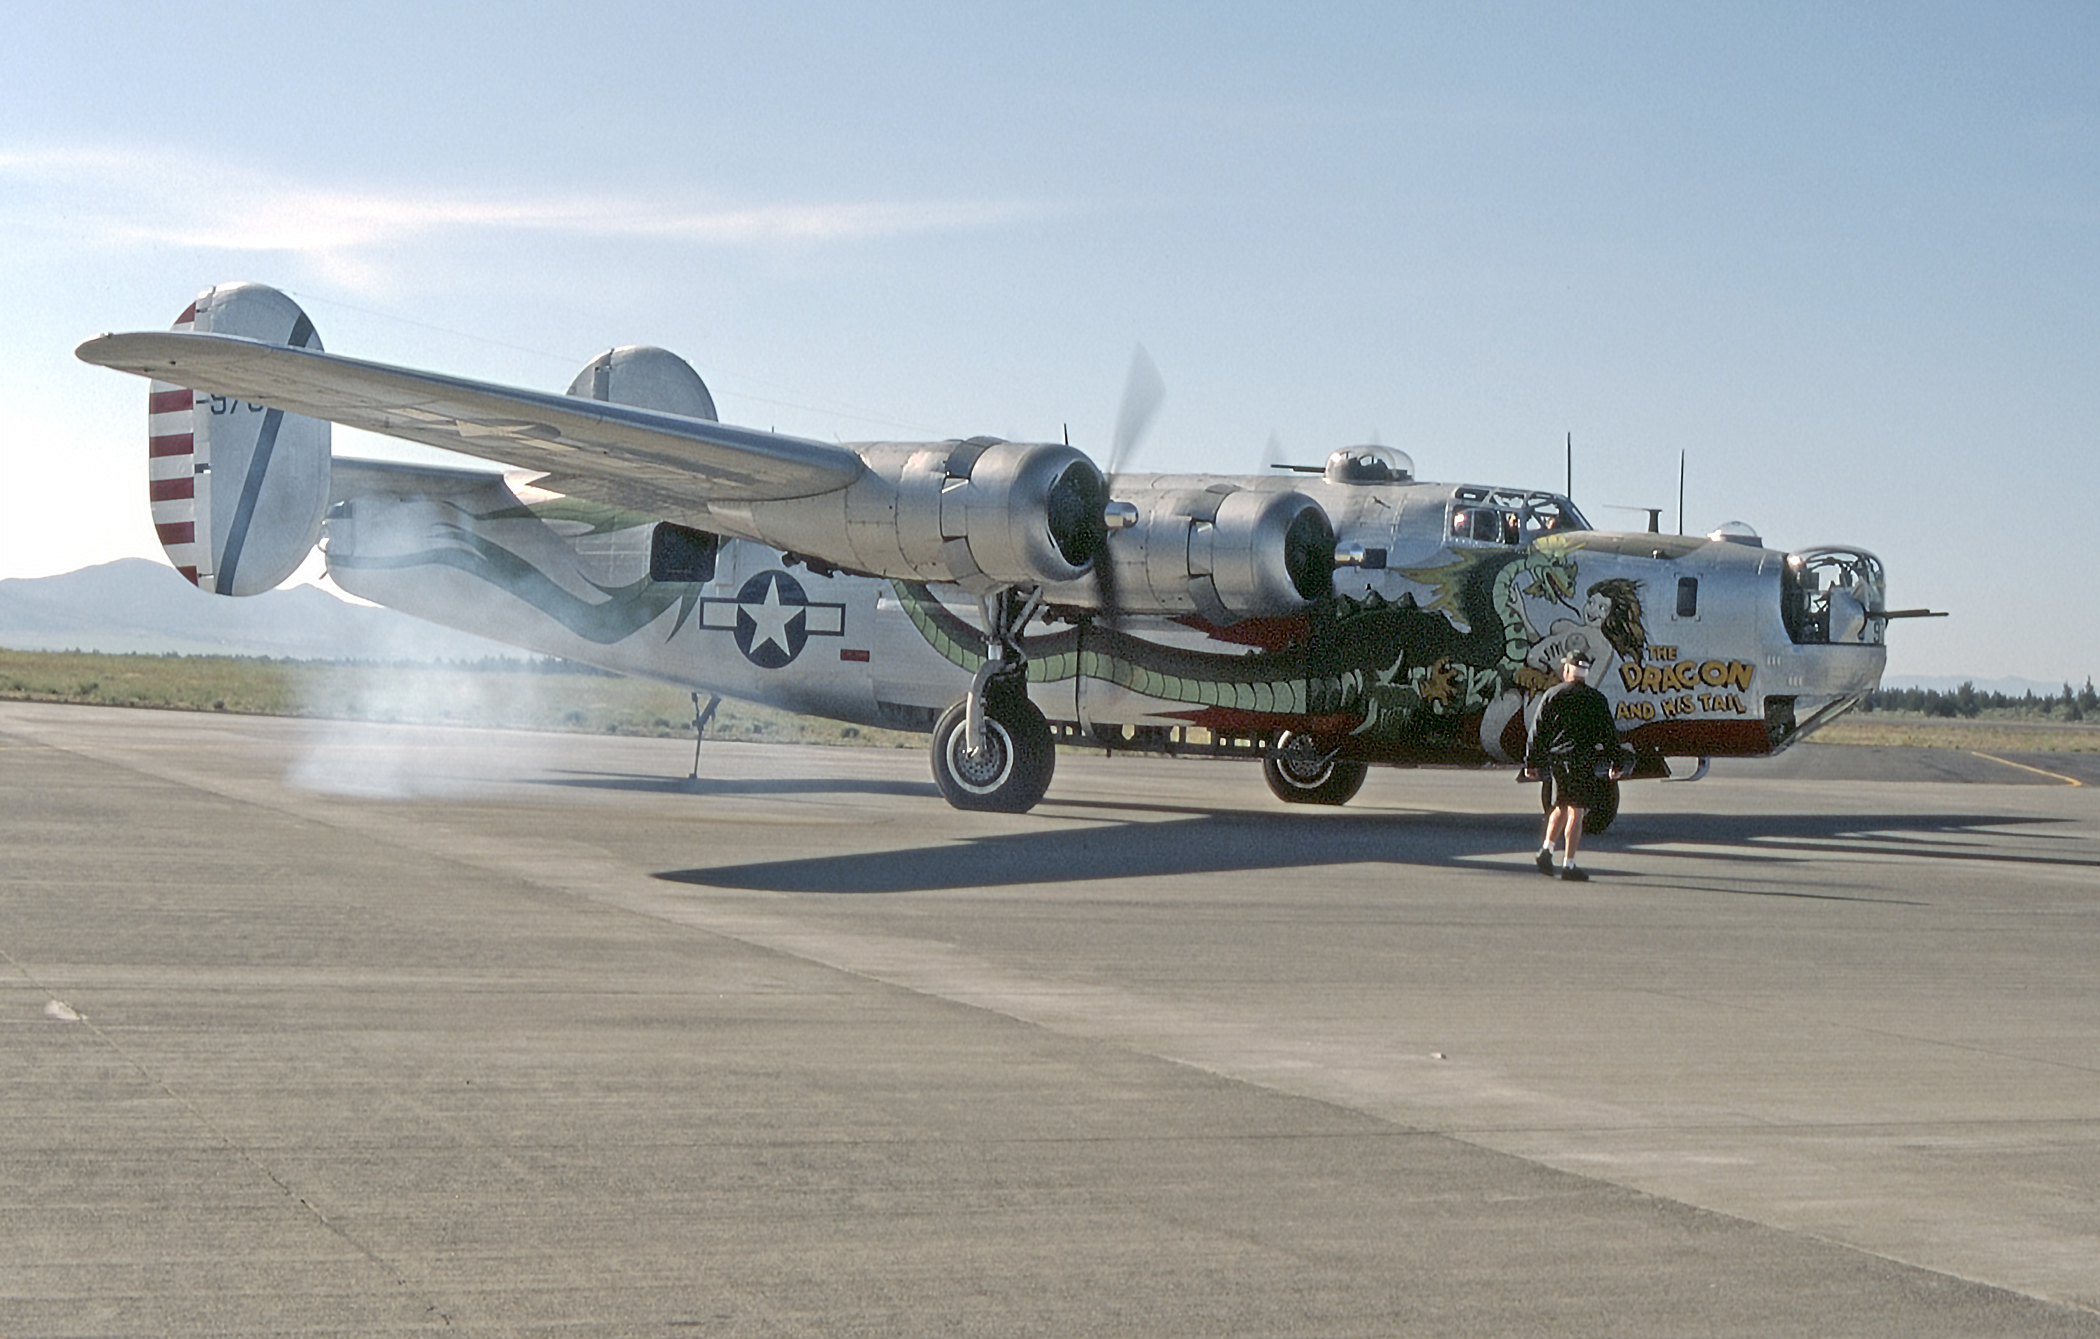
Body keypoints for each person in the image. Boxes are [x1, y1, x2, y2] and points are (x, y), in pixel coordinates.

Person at [1522, 651, 1628, 881]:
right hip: (1582, 760)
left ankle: (1546, 850)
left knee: (1560, 806)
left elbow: (1537, 731)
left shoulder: (1553, 695)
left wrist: (1531, 762)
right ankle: (1569, 865)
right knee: (1576, 812)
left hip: (1558, 761)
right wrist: (1616, 762)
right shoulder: (1596, 699)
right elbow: (1608, 734)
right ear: (1585, 673)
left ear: (1568, 670)